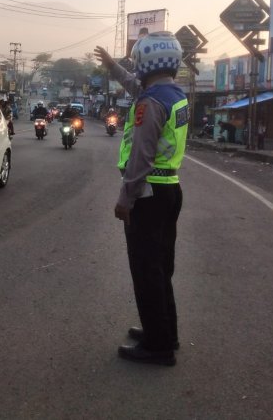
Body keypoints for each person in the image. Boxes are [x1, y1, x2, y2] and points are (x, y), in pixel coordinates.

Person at [94, 31, 188, 367]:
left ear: (144, 63)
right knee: (161, 268)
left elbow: (140, 156)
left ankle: (158, 346)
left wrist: (125, 198)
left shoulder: (150, 103)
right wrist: (112, 65)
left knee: (146, 270)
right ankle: (164, 332)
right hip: (169, 189)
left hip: (148, 193)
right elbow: (135, 85)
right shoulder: (173, 93)